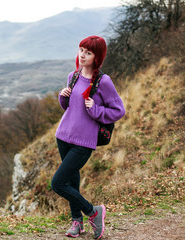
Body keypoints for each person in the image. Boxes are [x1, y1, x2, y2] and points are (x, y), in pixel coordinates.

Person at [52, 35, 125, 239]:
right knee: (71, 180)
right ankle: (77, 222)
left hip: (83, 142)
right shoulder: (73, 76)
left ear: (97, 56)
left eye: (88, 52)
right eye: (81, 50)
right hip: (63, 135)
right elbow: (69, 108)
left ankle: (93, 212)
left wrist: (98, 110)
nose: (82, 55)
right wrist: (63, 96)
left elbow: (119, 110)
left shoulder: (104, 81)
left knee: (57, 183)